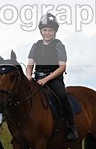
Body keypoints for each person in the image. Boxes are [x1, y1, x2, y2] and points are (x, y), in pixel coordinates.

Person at [26, 13, 78, 141]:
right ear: (40, 31)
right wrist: (28, 77)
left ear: (55, 31)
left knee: (62, 96)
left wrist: (46, 79)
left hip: (54, 78)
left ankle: (72, 126)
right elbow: (29, 66)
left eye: (50, 30)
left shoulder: (58, 45)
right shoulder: (35, 46)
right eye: (45, 30)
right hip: (37, 78)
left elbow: (62, 67)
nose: (47, 33)